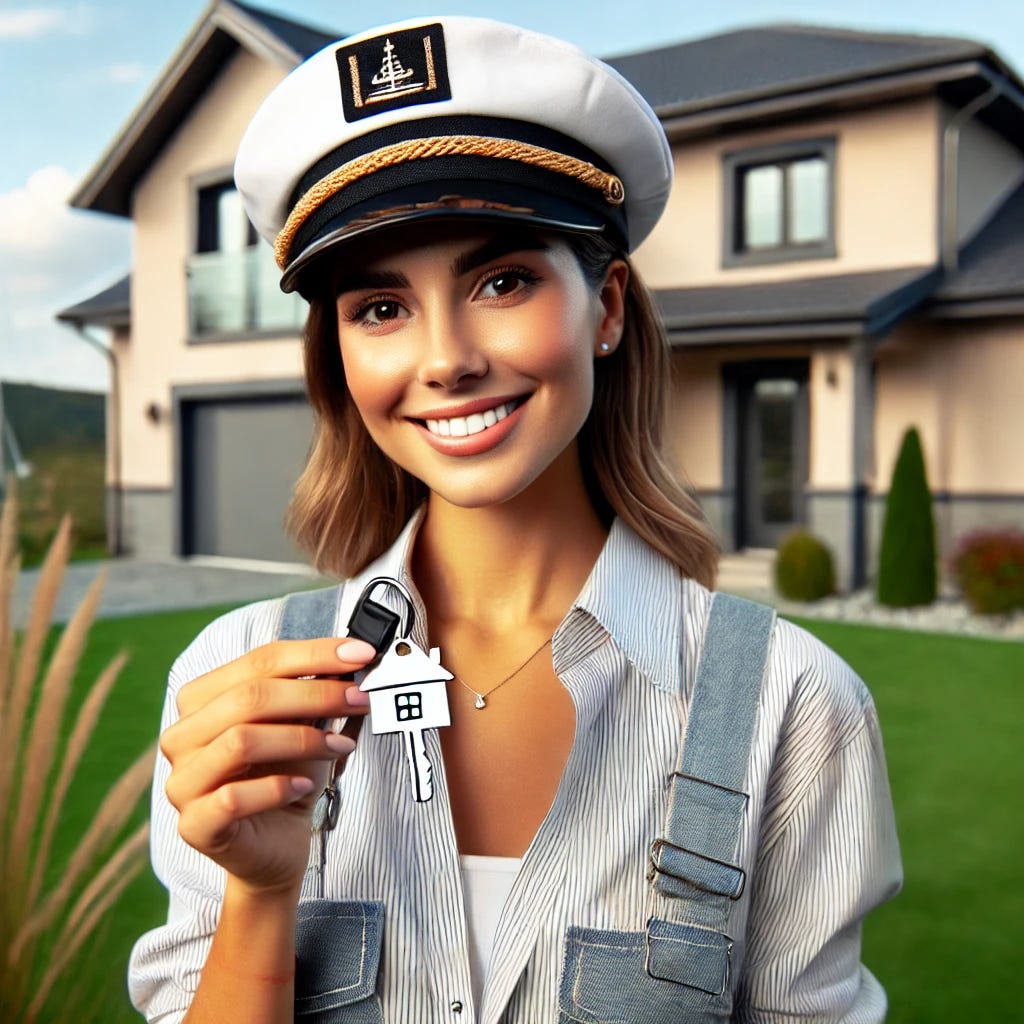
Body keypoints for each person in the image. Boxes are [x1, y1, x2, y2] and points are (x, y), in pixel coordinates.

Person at [128, 15, 901, 1024]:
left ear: (608, 304)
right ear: (341, 353)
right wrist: (264, 891)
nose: (445, 358)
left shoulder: (795, 709)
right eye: (380, 306)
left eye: (502, 281)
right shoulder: (226, 682)